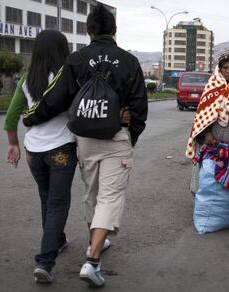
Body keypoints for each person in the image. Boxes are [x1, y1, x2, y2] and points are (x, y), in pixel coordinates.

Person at [22, 4, 148, 287]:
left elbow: (55, 99)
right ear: (115, 30)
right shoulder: (128, 61)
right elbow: (140, 106)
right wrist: (130, 133)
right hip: (117, 138)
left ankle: (97, 242)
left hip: (86, 140)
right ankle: (92, 259)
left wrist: (30, 118)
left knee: (92, 194)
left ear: (87, 30)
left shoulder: (77, 60)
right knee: (110, 197)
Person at [3, 30, 77, 284]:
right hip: (61, 149)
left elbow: (12, 117)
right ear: (62, 50)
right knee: (58, 203)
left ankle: (58, 240)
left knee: (47, 199)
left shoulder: (26, 78)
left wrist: (13, 144)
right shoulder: (66, 77)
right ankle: (45, 262)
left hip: (34, 151)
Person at [187, 49, 229, 193]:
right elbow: (203, 114)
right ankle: (208, 199)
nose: (228, 71)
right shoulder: (212, 85)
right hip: (214, 135)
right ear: (220, 68)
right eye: (225, 68)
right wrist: (207, 134)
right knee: (209, 171)